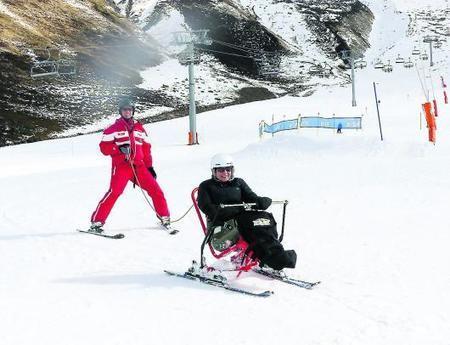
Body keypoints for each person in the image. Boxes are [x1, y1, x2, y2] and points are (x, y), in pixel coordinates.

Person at [197, 153, 297, 271]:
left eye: (228, 169)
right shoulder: (206, 186)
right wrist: (235, 209)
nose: (225, 173)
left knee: (263, 219)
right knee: (251, 225)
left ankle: (274, 256)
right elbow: (207, 207)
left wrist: (261, 201)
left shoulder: (238, 183)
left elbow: (251, 197)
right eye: (221, 170)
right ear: (214, 171)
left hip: (241, 222)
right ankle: (273, 258)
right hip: (222, 230)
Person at [89, 97, 170, 233]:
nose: (127, 112)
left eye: (129, 109)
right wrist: (118, 149)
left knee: (156, 190)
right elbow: (104, 148)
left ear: (133, 111)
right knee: (114, 192)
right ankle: (97, 222)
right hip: (122, 166)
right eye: (124, 109)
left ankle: (165, 217)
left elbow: (146, 149)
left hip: (139, 167)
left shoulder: (140, 129)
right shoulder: (112, 129)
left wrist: (150, 167)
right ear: (120, 111)